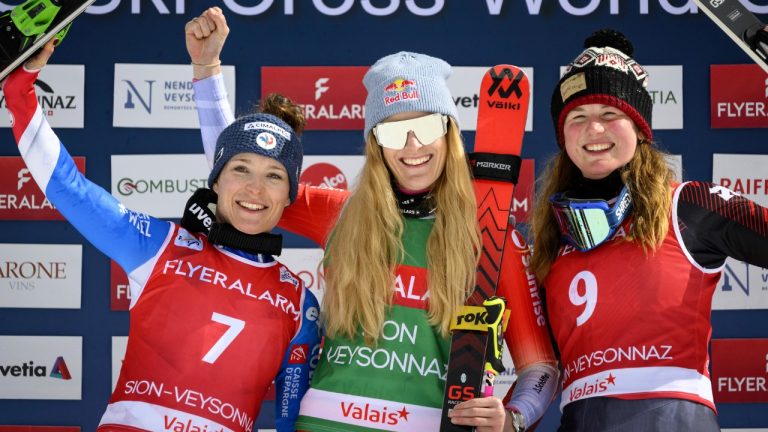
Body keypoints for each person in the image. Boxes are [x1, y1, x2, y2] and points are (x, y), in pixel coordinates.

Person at [186, 8, 559, 431]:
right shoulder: (342, 214)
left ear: (449, 132)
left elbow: (540, 367)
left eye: (426, 127)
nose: (412, 146)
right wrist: (206, 68)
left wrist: (512, 419)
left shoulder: (491, 239)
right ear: (376, 144)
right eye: (393, 132)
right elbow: (239, 169)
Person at [2, 40, 320, 432]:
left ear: (289, 195)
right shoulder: (161, 246)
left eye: (273, 176)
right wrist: (20, 92)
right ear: (216, 180)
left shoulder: (299, 302)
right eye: (241, 169)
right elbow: (71, 189)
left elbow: (292, 420)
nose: (255, 189)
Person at [530, 28, 768, 431]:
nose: (594, 129)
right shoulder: (552, 238)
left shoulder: (689, 205)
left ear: (640, 127)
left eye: (610, 114)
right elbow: (538, 365)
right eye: (578, 117)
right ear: (563, 134)